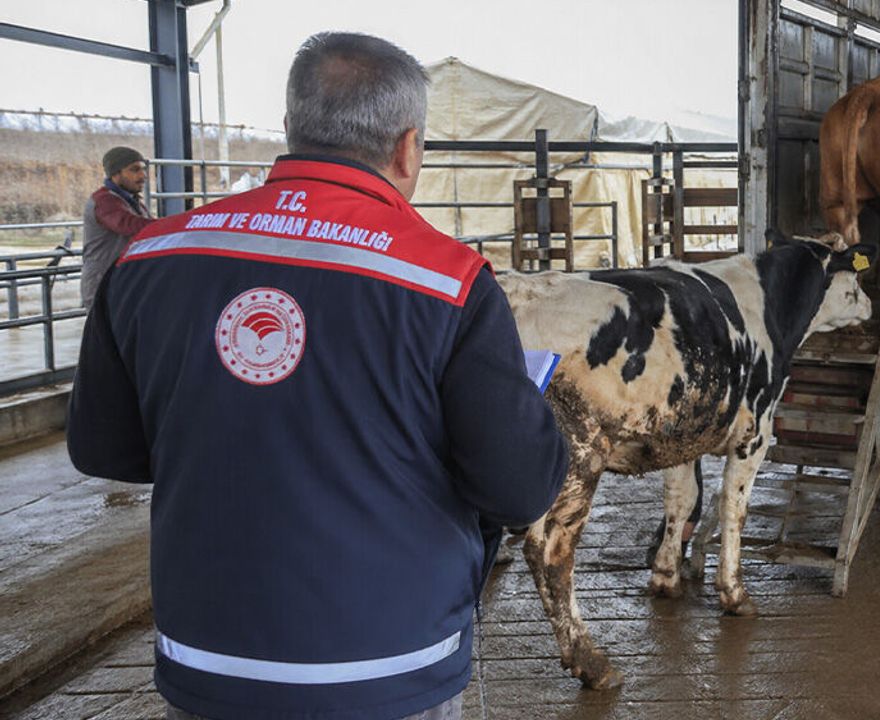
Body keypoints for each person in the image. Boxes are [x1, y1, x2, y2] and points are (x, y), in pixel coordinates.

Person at [66, 32, 567, 720]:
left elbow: (102, 448)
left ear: (290, 128)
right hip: (390, 665)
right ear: (408, 147)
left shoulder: (150, 257)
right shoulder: (447, 281)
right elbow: (519, 488)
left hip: (210, 659)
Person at [80, 146, 154, 306]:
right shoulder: (104, 201)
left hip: (124, 281)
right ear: (115, 174)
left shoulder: (133, 202)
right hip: (104, 284)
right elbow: (129, 225)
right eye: (134, 170)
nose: (143, 175)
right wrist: (174, 224)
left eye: (143, 169)